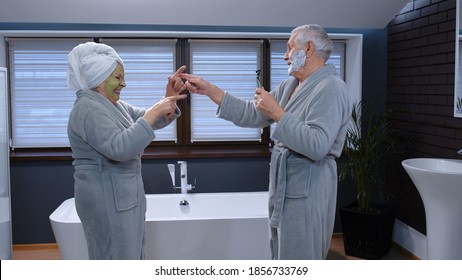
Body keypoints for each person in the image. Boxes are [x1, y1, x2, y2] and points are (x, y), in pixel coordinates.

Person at [181, 24, 352, 259]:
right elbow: (254, 114)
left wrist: (278, 113)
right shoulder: (290, 85)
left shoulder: (331, 88)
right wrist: (210, 90)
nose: (285, 55)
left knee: (300, 258)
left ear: (309, 49)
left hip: (308, 191)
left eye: (290, 48)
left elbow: (317, 145)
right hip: (284, 188)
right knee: (280, 254)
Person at [67, 42, 187, 259]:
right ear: (98, 77)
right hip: (104, 199)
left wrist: (167, 99)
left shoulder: (112, 104)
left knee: (130, 255)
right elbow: (119, 148)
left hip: (122, 196)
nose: (124, 83)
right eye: (118, 77)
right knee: (114, 257)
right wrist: (154, 112)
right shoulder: (87, 108)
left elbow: (148, 119)